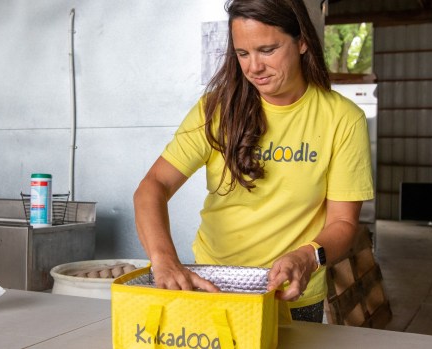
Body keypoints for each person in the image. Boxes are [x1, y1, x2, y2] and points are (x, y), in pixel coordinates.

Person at [133, 0, 373, 323]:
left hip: (292, 296)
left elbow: (343, 224)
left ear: (302, 41)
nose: (254, 67)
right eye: (243, 54)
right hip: (215, 289)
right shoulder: (217, 110)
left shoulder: (342, 120)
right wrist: (164, 260)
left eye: (268, 50)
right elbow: (152, 186)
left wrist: (306, 258)